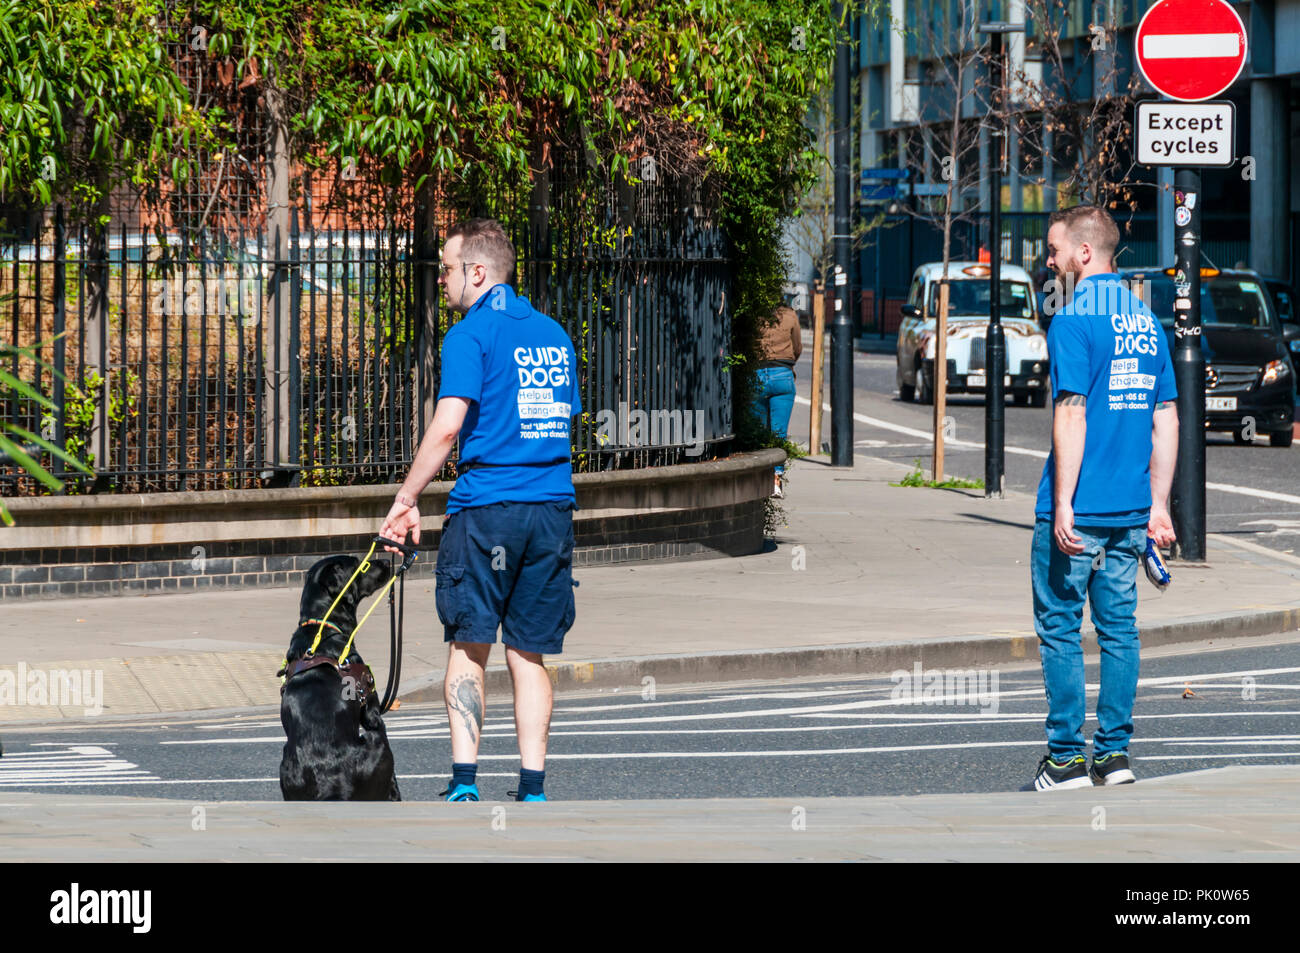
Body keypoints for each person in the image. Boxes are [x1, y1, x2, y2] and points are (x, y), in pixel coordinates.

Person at [379, 218, 580, 803]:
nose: (441, 280)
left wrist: (406, 498)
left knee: (470, 643)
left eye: (445, 269)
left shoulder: (469, 336)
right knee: (528, 651)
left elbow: (447, 429)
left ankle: (464, 783)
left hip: (486, 508)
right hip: (551, 508)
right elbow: (560, 421)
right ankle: (534, 786)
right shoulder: (555, 335)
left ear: (477, 272)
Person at [1023, 205, 1179, 792]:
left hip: (1081, 509)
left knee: (1061, 628)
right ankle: (1113, 757)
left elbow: (1072, 411)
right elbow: (1166, 417)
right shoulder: (1145, 320)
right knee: (1119, 631)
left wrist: (1063, 502)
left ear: (1083, 253)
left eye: (1054, 248)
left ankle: (1064, 760)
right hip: (1130, 509)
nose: (1049, 259)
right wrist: (1159, 506)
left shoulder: (1072, 318)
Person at [751, 304, 802, 497]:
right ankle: (776, 480)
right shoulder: (789, 315)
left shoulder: (754, 312)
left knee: (757, 430)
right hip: (783, 373)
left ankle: (757, 478)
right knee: (779, 432)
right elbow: (797, 347)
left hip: (756, 374)